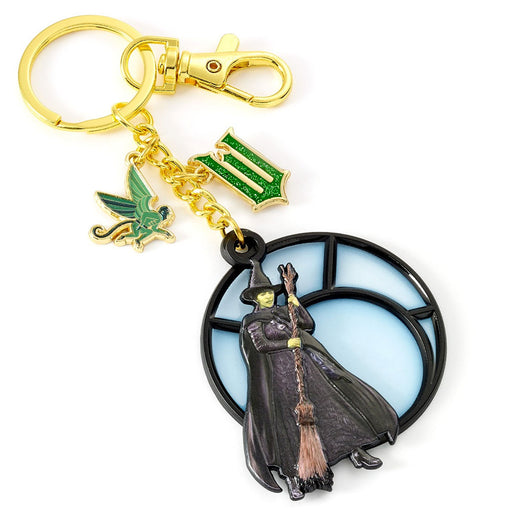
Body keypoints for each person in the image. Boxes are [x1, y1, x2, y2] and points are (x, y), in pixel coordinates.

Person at [239, 261, 399, 500]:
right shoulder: (252, 321)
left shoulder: (283, 312)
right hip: (279, 377)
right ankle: (293, 477)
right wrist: (287, 343)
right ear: (255, 298)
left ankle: (355, 450)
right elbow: (261, 344)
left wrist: (294, 300)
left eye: (270, 292)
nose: (268, 296)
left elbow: (307, 324)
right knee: (288, 424)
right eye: (263, 294)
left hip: (306, 369)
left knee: (331, 406)